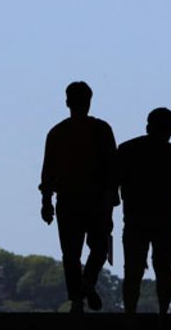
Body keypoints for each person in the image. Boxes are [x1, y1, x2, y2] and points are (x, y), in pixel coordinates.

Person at [39, 81, 118, 313]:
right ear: (89, 101)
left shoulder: (57, 133)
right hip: (97, 200)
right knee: (100, 247)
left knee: (71, 254)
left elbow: (47, 172)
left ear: (67, 102)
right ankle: (88, 282)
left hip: (67, 200)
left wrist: (46, 202)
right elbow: (112, 169)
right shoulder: (102, 129)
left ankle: (76, 299)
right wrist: (111, 202)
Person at [116, 107, 171, 318]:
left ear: (148, 126)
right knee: (163, 266)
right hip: (165, 218)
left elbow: (113, 182)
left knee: (132, 269)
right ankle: (163, 314)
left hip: (135, 217)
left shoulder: (127, 149)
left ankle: (130, 316)